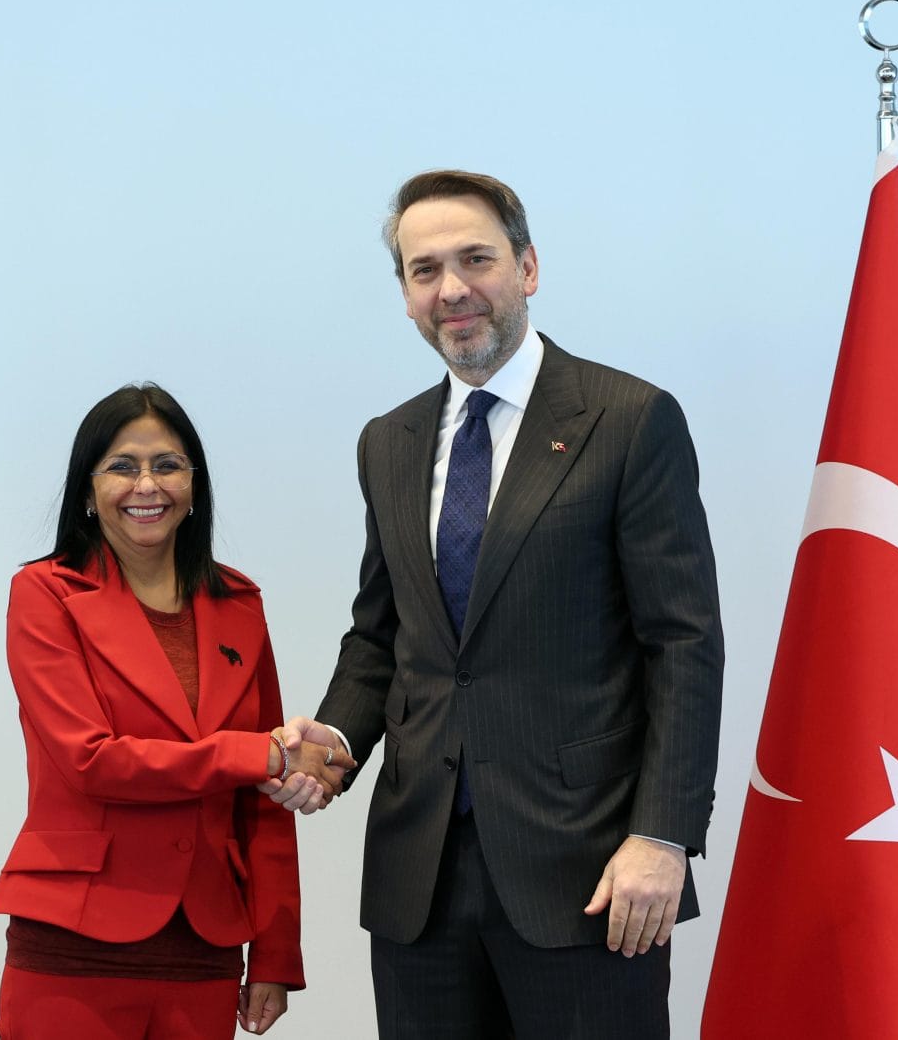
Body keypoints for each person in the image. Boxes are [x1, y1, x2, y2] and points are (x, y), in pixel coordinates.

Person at [262, 171, 724, 1037]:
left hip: (590, 874)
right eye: (424, 270)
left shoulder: (629, 419)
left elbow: (684, 645)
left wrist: (662, 836)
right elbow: (382, 634)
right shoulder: (388, 442)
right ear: (405, 294)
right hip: (420, 878)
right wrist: (337, 740)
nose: (452, 289)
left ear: (528, 267)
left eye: (475, 259)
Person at [0, 383, 352, 1039]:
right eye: (122, 467)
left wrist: (275, 953)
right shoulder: (45, 594)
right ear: (88, 489)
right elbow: (91, 761)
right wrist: (262, 753)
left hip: (204, 951)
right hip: (74, 945)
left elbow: (263, 805)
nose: (147, 485)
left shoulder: (239, 603)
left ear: (194, 484)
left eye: (167, 465)